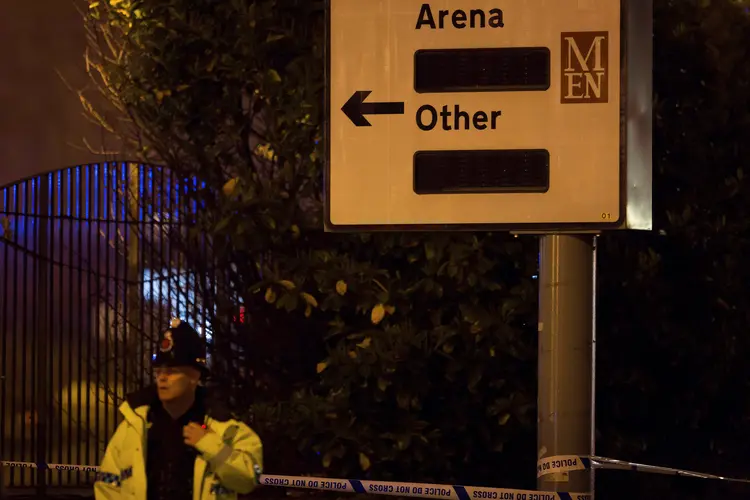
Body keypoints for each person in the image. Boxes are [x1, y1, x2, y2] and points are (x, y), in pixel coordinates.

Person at [94, 318, 263, 500]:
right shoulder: (135, 426)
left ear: (194, 376)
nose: (162, 378)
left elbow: (250, 478)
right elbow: (107, 487)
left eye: (172, 371)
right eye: (159, 371)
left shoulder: (224, 428)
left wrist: (210, 445)